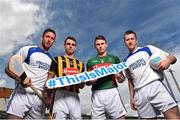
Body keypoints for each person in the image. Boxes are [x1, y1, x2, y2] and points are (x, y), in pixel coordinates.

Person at [123, 30, 180, 119]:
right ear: (125, 42)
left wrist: (168, 61)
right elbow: (130, 80)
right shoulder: (125, 61)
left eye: (132, 39)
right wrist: (131, 97)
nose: (130, 41)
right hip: (139, 93)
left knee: (174, 117)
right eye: (127, 40)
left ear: (136, 40)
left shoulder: (148, 49)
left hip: (155, 86)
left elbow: (172, 57)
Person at [6, 28, 56, 119]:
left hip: (39, 100)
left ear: (53, 41)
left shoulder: (52, 61)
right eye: (47, 36)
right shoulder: (27, 50)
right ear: (42, 37)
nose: (49, 40)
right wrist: (20, 80)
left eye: (52, 38)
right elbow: (9, 68)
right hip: (22, 95)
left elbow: (49, 82)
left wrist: (49, 98)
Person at [86, 35, 126, 119]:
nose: (100, 46)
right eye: (98, 44)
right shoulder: (90, 61)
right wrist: (91, 81)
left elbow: (122, 78)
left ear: (106, 45)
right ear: (95, 46)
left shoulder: (114, 58)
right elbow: (87, 82)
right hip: (97, 93)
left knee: (120, 118)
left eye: (102, 43)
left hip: (112, 91)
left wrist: (119, 77)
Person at [47, 36, 85, 119]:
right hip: (60, 94)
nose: (70, 46)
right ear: (64, 45)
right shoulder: (56, 60)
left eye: (73, 44)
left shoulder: (81, 64)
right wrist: (48, 97)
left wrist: (80, 79)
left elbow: (82, 86)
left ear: (75, 47)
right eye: (68, 44)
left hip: (74, 96)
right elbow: (49, 80)